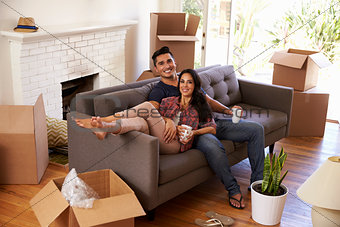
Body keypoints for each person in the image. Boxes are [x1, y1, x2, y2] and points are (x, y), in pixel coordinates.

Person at [76, 46, 265, 209]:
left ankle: (258, 183)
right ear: (156, 69)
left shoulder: (188, 80)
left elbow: (208, 101)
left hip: (210, 121)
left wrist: (229, 111)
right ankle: (233, 189)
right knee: (214, 147)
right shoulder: (160, 91)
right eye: (161, 63)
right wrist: (167, 120)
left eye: (169, 61)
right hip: (190, 132)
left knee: (255, 129)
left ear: (175, 62)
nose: (166, 66)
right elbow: (152, 112)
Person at [77, 69, 216, 154]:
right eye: (182, 82)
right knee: (140, 122)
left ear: (195, 85)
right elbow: (157, 118)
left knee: (148, 108)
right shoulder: (169, 101)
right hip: (158, 136)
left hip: (175, 144)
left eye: (189, 82)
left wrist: (193, 132)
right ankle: (106, 127)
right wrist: (168, 121)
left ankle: (105, 119)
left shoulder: (201, 106)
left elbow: (212, 129)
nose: (185, 85)